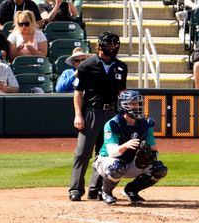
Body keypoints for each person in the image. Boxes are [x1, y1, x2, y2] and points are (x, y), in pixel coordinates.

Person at [69, 31, 128, 202]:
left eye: (115, 45)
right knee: (82, 152)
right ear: (101, 46)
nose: (113, 48)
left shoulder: (121, 66)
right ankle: (76, 189)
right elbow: (78, 93)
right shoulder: (87, 65)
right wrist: (78, 115)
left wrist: (123, 115)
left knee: (106, 152)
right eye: (110, 45)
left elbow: (122, 93)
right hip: (91, 112)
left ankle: (97, 188)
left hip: (111, 112)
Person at [93, 90, 168, 205]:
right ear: (124, 105)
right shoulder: (113, 123)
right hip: (105, 161)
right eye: (132, 103)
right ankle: (106, 192)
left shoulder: (145, 124)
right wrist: (126, 145)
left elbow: (154, 149)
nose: (136, 106)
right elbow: (112, 152)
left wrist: (149, 157)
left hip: (130, 162)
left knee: (159, 169)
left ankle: (131, 191)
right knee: (117, 166)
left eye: (138, 103)